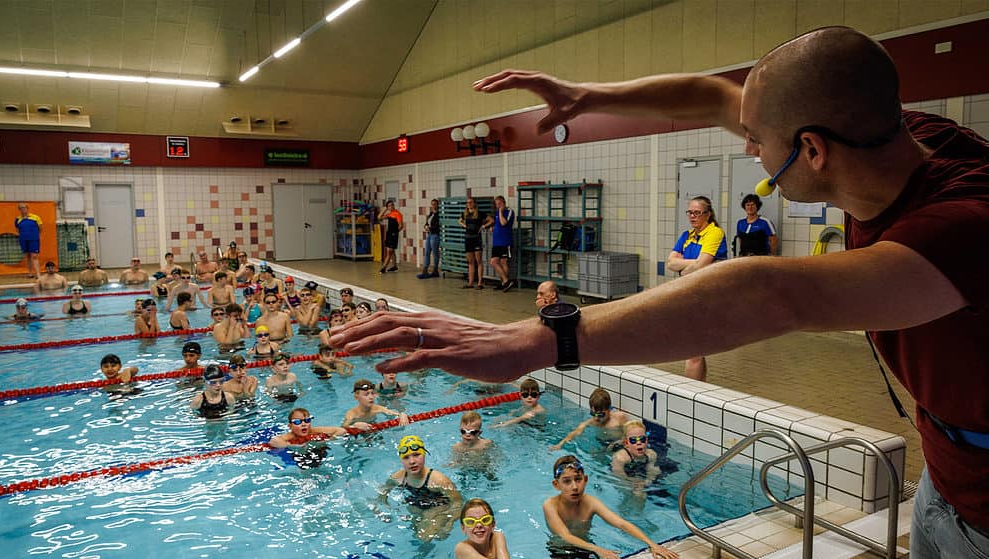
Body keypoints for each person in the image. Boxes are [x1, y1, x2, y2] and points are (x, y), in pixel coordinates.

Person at [328, 27, 989, 558]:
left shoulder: (959, 227)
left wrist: (534, 340)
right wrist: (584, 96)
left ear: (811, 150)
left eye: (756, 143)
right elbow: (708, 95)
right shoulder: (902, 139)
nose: (749, 146)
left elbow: (768, 293)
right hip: (945, 469)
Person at [544, 456, 677, 559]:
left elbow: (621, 523)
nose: (574, 487)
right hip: (560, 550)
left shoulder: (591, 503)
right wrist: (599, 550)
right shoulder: (550, 506)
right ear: (556, 484)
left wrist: (652, 544)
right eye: (567, 481)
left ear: (585, 480)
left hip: (586, 547)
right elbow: (565, 536)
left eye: (578, 479)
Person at [666, 195, 727, 380]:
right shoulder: (687, 235)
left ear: (707, 215)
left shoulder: (715, 233)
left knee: (693, 350)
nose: (692, 216)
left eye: (697, 213)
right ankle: (699, 389)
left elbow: (700, 266)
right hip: (690, 293)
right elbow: (670, 263)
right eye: (690, 212)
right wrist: (695, 262)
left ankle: (691, 394)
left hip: (706, 294)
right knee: (695, 349)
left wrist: (684, 266)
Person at [378, 435, 462, 542]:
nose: (412, 461)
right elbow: (382, 494)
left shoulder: (439, 480)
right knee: (415, 534)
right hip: (416, 505)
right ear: (401, 460)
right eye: (406, 457)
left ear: (424, 455)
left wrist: (450, 521)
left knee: (424, 537)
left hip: (439, 507)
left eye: (416, 455)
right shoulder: (398, 478)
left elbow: (458, 503)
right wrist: (383, 510)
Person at [551, 388, 629, 450]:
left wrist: (620, 442)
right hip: (602, 444)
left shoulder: (620, 418)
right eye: (593, 414)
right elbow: (574, 433)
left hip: (619, 444)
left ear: (609, 409)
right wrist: (560, 444)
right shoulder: (592, 422)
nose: (596, 417)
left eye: (601, 414)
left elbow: (630, 433)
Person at [342, 380, 409, 431]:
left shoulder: (377, 408)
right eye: (366, 394)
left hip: (373, 427)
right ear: (356, 397)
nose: (371, 397)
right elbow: (342, 428)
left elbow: (393, 413)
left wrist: (402, 414)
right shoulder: (352, 413)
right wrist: (354, 426)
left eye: (372, 393)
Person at [611, 420, 661, 485]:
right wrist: (635, 483)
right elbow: (619, 478)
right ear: (626, 443)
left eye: (642, 439)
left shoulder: (651, 454)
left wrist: (647, 481)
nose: (639, 443)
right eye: (633, 440)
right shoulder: (620, 458)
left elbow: (652, 472)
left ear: (647, 440)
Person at [269, 407, 346, 448]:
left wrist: (326, 441)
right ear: (290, 426)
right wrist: (295, 446)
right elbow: (273, 441)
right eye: (298, 422)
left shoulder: (315, 431)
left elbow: (341, 430)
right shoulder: (290, 436)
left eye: (307, 420)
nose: (303, 424)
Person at [459, 197, 493, 289]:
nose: (469, 204)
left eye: (470, 202)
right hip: (468, 239)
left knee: (478, 261)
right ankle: (470, 283)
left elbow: (491, 220)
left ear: (474, 203)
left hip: (476, 239)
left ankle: (479, 283)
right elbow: (459, 220)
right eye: (467, 203)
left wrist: (483, 226)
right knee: (470, 262)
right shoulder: (465, 214)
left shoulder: (480, 213)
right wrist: (464, 225)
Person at [490, 196, 516, 292]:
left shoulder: (509, 212)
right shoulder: (496, 212)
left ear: (503, 203)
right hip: (496, 241)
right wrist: (493, 227)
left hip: (505, 241)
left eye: (499, 204)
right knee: (494, 262)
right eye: (496, 204)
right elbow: (498, 224)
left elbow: (504, 223)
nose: (498, 206)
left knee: (502, 262)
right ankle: (505, 282)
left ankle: (505, 281)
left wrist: (500, 211)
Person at [14, 202, 42, 278]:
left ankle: (38, 274)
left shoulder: (35, 217)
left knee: (35, 256)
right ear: (19, 209)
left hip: (34, 239)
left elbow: (40, 228)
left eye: (24, 207)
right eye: (21, 208)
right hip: (23, 239)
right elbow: (17, 229)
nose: (23, 209)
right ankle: (30, 273)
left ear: (27, 208)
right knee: (28, 256)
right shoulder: (17, 219)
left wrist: (35, 235)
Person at [418, 198, 441, 279]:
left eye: (435, 204)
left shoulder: (439, 214)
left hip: (435, 235)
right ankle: (425, 271)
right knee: (427, 252)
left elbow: (438, 226)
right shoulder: (431, 214)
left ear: (438, 205)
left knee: (435, 253)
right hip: (430, 235)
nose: (433, 206)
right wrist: (426, 226)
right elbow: (427, 223)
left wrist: (430, 228)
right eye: (432, 204)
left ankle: (435, 270)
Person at [378, 199, 404, 273]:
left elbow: (401, 225)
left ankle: (383, 268)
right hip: (389, 234)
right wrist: (385, 209)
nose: (391, 206)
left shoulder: (397, 214)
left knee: (389, 252)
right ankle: (394, 267)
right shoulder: (390, 214)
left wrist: (395, 233)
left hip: (393, 235)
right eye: (389, 206)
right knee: (392, 252)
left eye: (392, 205)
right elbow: (379, 217)